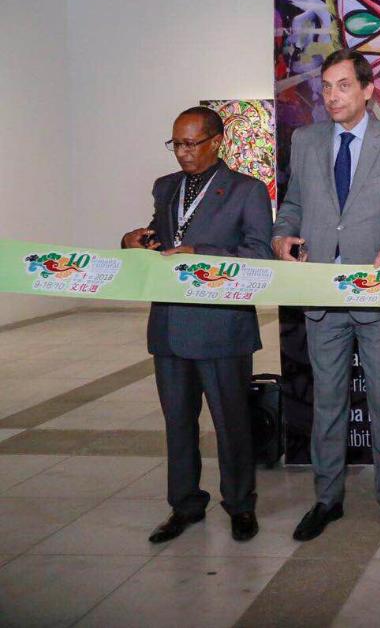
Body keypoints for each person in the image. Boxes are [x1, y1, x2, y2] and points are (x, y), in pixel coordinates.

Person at [272, 48, 380, 542]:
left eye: (343, 85)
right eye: (326, 86)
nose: (332, 96)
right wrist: (281, 235)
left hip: (377, 294)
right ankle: (326, 499)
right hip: (322, 295)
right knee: (328, 402)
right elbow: (292, 204)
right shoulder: (305, 140)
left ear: (367, 90)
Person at [121, 106, 272, 544]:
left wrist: (199, 254)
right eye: (176, 144)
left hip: (222, 328)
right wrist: (133, 242)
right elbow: (161, 235)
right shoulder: (166, 187)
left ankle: (240, 505)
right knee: (178, 423)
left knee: (231, 423)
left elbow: (259, 256)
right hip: (169, 326)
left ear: (217, 141)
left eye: (191, 144)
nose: (182, 153)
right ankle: (184, 505)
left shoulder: (247, 191)